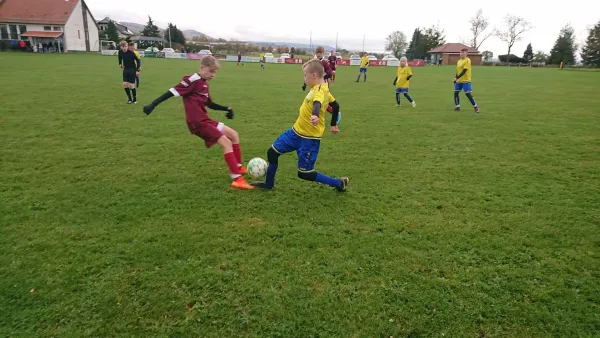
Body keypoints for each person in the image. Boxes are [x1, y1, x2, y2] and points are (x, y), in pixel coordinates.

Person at [142, 56, 254, 190]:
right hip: (197, 122)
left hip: (205, 120)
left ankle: (238, 167)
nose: (213, 75)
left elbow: (210, 104)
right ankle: (237, 179)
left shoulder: (204, 83)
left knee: (234, 135)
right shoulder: (191, 80)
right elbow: (171, 92)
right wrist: (152, 105)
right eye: (211, 71)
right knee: (226, 142)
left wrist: (227, 109)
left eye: (215, 72)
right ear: (202, 68)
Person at [251, 59, 348, 191]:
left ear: (313, 75)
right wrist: (333, 125)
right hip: (295, 133)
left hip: (309, 139)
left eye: (305, 76)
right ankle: (269, 184)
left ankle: (338, 183)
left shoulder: (319, 90)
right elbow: (335, 106)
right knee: (272, 153)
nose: (304, 79)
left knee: (304, 173)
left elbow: (317, 103)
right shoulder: (322, 88)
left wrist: (315, 115)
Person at [453, 48, 479, 113]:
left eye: (463, 52)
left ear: (466, 53)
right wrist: (455, 78)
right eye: (461, 52)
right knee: (456, 93)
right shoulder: (459, 61)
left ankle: (475, 107)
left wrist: (457, 78)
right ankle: (458, 106)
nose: (462, 54)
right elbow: (458, 71)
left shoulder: (467, 60)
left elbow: (464, 71)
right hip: (459, 81)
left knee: (468, 94)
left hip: (466, 80)